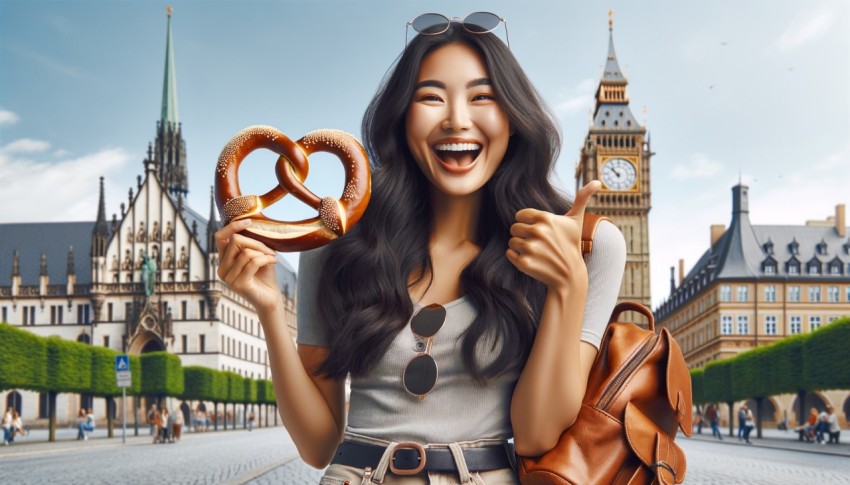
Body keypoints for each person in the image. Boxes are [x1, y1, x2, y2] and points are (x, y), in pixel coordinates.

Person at [215, 13, 626, 483]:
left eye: (482, 97)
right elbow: (318, 444)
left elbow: (535, 435)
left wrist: (567, 286)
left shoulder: (589, 246)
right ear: (402, 119)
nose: (456, 119)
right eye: (430, 97)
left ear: (512, 118)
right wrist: (269, 309)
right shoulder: (336, 242)